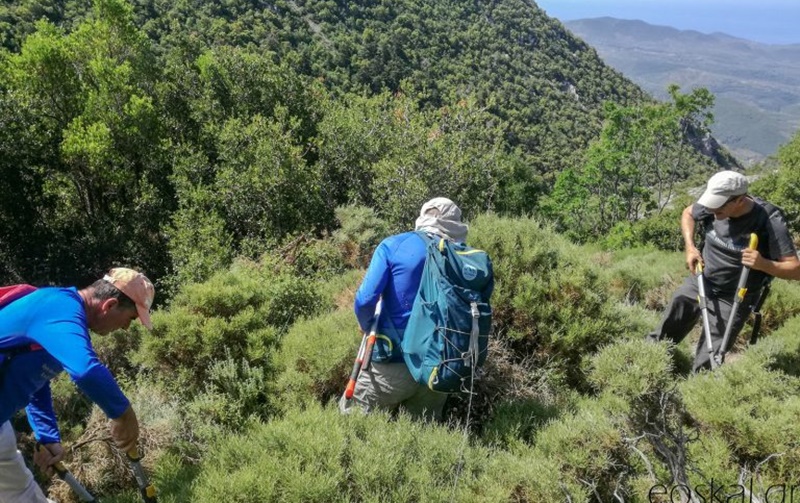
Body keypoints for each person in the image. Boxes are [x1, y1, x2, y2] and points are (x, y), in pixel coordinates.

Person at [0, 267, 155, 503]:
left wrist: (47, 436)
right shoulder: (59, 308)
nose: (125, 328)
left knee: (26, 497)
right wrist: (123, 414)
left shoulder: (62, 318)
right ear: (110, 305)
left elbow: (35, 380)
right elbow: (86, 370)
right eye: (131, 319)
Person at [646, 171, 800, 371]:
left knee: (710, 357)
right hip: (702, 279)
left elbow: (795, 269)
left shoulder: (768, 219)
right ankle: (647, 366)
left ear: (740, 200)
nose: (711, 209)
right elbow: (688, 213)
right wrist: (690, 247)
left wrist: (763, 264)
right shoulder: (713, 206)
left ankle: (698, 392)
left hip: (735, 295)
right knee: (668, 326)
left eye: (718, 205)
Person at [339, 197, 469, 421]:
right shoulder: (464, 257)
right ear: (455, 223)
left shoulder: (395, 245)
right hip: (439, 369)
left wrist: (365, 324)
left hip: (391, 364)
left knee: (354, 426)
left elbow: (365, 299)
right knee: (422, 440)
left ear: (423, 215)